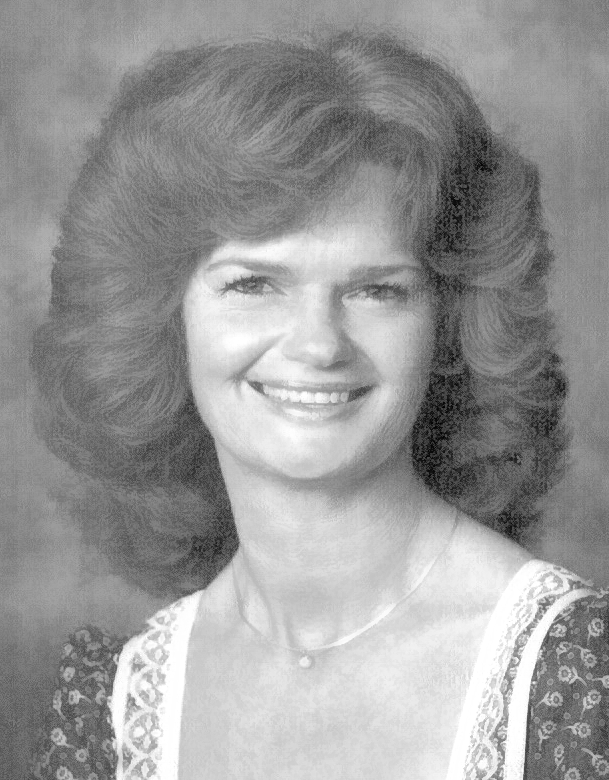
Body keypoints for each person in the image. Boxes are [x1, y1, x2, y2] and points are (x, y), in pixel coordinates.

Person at [29, 29, 608, 780]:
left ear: (450, 324)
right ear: (160, 316)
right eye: (253, 283)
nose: (317, 345)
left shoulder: (575, 676)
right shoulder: (118, 704)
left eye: (377, 290)